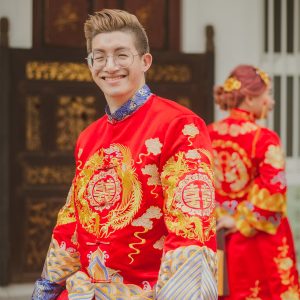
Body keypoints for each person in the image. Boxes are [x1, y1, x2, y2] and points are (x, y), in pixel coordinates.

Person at [32, 9, 217, 300]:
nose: (110, 65)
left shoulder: (179, 126)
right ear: (90, 64)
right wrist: (47, 289)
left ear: (145, 61)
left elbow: (192, 228)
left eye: (121, 54)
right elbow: (71, 223)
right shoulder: (88, 137)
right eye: (99, 56)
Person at [208, 64, 300, 299]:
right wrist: (242, 219)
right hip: (256, 238)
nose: (271, 101)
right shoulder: (264, 138)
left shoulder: (207, 133)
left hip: (216, 236)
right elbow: (274, 189)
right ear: (249, 99)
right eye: (267, 95)